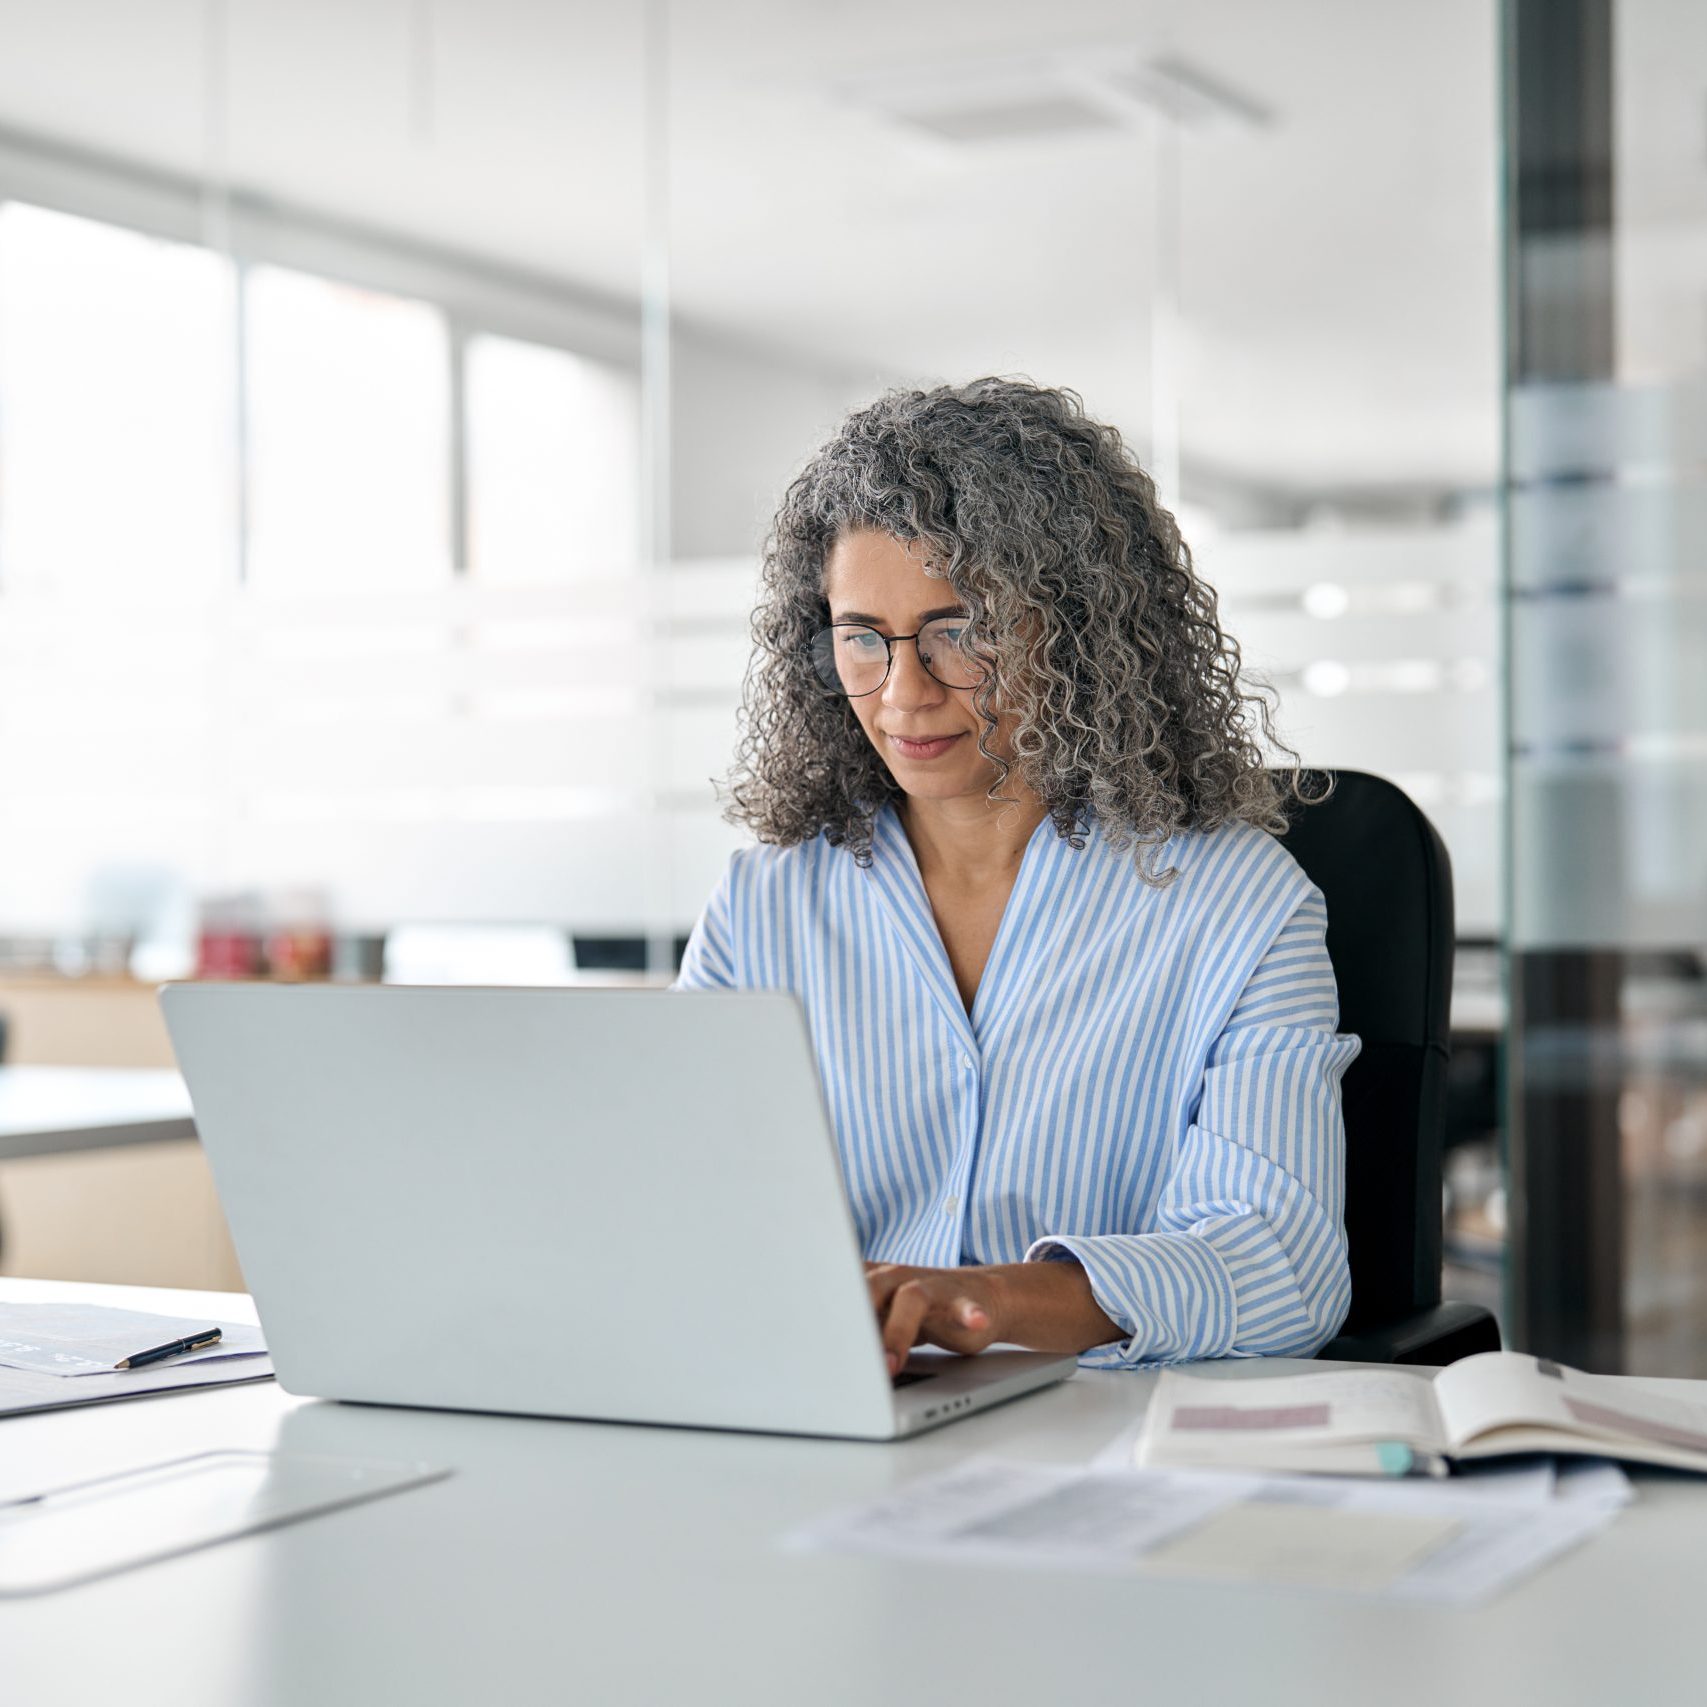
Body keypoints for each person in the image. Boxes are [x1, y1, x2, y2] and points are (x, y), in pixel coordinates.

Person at [676, 378, 1358, 1375]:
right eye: (863, 637)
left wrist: (982, 1301)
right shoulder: (763, 907)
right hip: (827, 1430)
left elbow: (1282, 1267)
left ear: (1078, 631)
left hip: (1108, 1451)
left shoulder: (1241, 908)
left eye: (961, 632)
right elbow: (672, 1210)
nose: (904, 693)